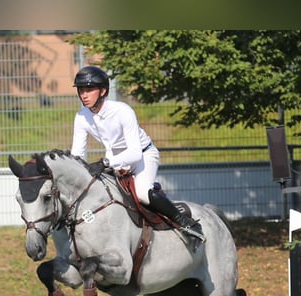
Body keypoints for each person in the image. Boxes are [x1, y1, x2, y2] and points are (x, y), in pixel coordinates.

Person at [69, 65, 205, 252]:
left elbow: (134, 153)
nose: (84, 95)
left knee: (142, 192)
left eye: (89, 89)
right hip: (115, 160)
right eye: (81, 90)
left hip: (143, 155)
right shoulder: (81, 117)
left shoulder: (122, 111)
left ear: (103, 91)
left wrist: (105, 163)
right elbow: (78, 154)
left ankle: (186, 223)